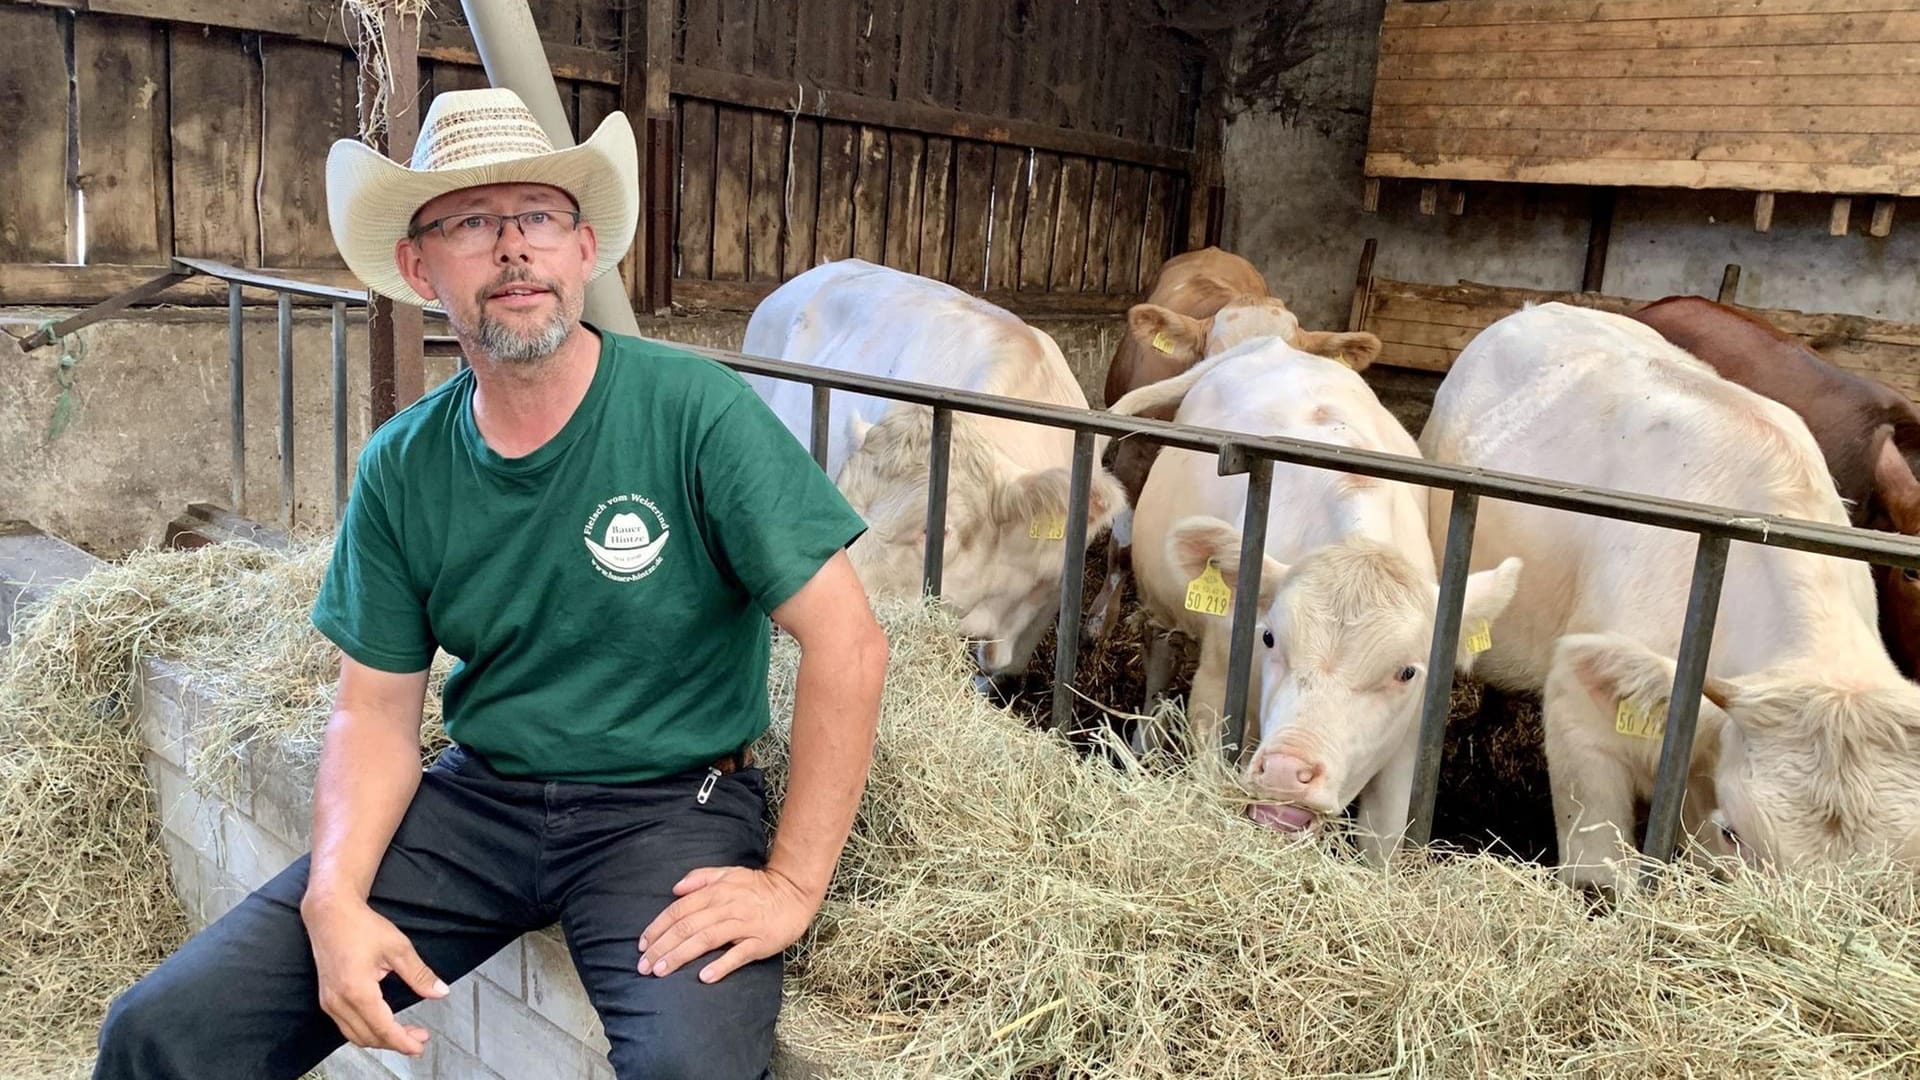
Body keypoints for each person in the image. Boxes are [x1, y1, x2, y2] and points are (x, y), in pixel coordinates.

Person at [92, 87, 888, 1080]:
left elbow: (848, 639)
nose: (514, 248)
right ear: (421, 268)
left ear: (583, 252)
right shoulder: (404, 466)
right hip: (480, 805)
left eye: (540, 218)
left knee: (692, 1070)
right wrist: (334, 896)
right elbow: (373, 716)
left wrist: (792, 882)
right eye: (472, 222)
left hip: (668, 807)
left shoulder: (696, 414)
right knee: (161, 1031)